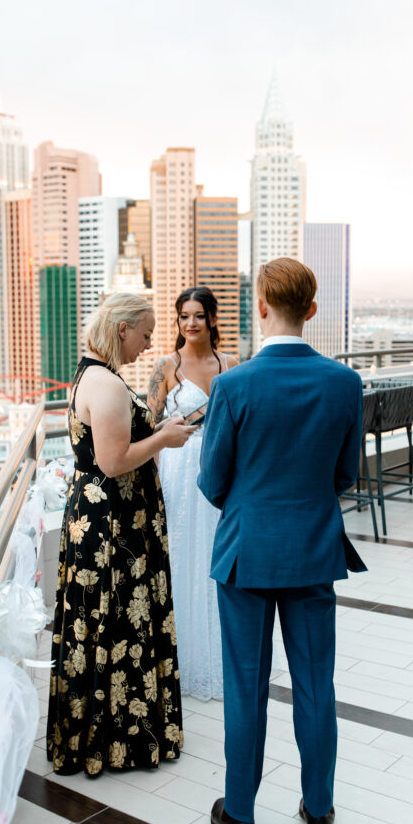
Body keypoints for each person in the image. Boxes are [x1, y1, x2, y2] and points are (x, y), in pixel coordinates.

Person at [197, 257, 365, 824]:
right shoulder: (344, 382)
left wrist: (249, 501)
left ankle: (239, 815)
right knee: (316, 685)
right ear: (312, 311)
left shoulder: (233, 384)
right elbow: (346, 474)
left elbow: (212, 480)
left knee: (246, 686)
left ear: (260, 307)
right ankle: (318, 811)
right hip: (314, 549)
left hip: (246, 552)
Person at [47, 293, 195, 777]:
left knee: (107, 624)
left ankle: (109, 735)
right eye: (147, 333)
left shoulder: (93, 374)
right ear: (123, 328)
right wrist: (163, 438)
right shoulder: (106, 383)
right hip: (113, 527)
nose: (150, 343)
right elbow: (113, 462)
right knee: (117, 623)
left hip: (111, 520)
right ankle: (119, 740)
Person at [146, 287, 238, 700]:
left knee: (214, 555)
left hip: (219, 465)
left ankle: (219, 655)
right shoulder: (165, 366)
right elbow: (148, 428)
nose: (191, 323)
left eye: (199, 315)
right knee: (179, 555)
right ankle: (177, 659)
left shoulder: (231, 365)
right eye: (184, 316)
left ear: (213, 319)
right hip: (178, 470)